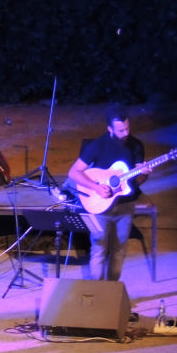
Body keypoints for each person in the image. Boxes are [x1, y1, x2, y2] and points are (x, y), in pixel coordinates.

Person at [66, 104, 152, 281]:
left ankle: (112, 290)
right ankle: (98, 291)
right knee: (99, 250)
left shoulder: (136, 145)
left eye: (127, 128)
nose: (126, 133)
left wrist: (144, 173)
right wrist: (96, 187)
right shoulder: (98, 145)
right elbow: (74, 172)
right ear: (110, 129)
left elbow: (138, 180)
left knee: (119, 251)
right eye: (121, 130)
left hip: (126, 206)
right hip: (100, 206)